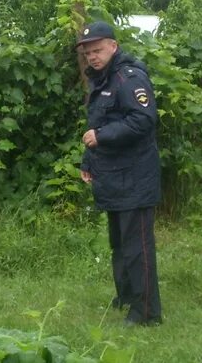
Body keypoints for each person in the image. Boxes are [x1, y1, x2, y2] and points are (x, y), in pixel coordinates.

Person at [76, 21, 163, 327]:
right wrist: (89, 161)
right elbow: (97, 123)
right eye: (87, 53)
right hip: (112, 175)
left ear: (114, 46)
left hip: (136, 177)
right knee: (119, 243)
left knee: (137, 246)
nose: (92, 57)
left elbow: (143, 120)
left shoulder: (129, 78)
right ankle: (126, 296)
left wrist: (102, 137)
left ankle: (146, 311)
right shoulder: (100, 80)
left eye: (97, 50)